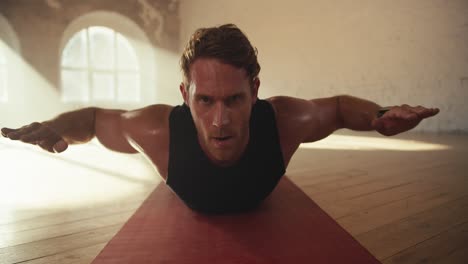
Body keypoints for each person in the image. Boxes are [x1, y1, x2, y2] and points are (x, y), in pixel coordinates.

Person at [1, 24, 439, 213]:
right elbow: (96, 120)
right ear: (184, 96)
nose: (219, 120)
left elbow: (341, 107)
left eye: (234, 99)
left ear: (256, 92)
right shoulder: (159, 131)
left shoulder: (281, 121)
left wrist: (378, 116)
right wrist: (60, 125)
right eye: (205, 101)